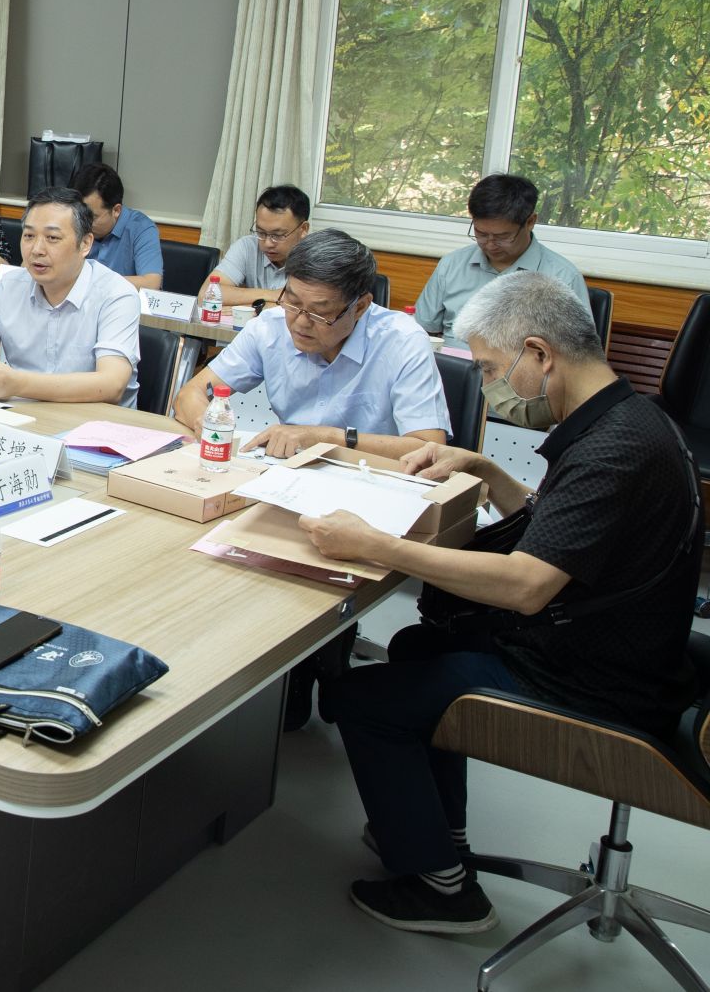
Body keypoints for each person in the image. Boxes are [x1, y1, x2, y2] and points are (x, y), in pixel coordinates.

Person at [305, 272, 701, 936]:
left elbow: (525, 583)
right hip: (621, 647)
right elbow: (562, 530)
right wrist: (486, 469)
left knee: (363, 701)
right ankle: (443, 837)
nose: (489, 384)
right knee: (416, 644)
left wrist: (376, 544)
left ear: (539, 354)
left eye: (491, 368)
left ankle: (443, 891)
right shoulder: (631, 416)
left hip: (595, 682)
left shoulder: (615, 450)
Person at [173, 230, 449, 460]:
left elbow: (428, 448)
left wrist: (327, 438)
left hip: (369, 478)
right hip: (287, 475)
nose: (301, 322)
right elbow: (190, 394)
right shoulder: (270, 326)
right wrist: (207, 424)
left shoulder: (402, 341)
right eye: (292, 302)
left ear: (360, 307)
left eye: (319, 312)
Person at [0, 188, 140, 408]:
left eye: (52, 238)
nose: (37, 249)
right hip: (22, 414)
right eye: (29, 236)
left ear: (85, 244)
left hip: (96, 423)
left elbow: (112, 384)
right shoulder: (11, 286)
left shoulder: (116, 294)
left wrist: (18, 384)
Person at [415, 174, 587, 345]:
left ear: (530, 222)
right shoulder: (451, 265)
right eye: (481, 234)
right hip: (452, 362)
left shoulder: (563, 277)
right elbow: (422, 331)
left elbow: (577, 354)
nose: (490, 245)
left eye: (502, 237)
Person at [213, 184, 309, 308]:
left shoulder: (317, 260)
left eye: (277, 235)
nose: (267, 243)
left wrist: (248, 307)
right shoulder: (247, 247)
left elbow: (305, 310)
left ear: (303, 229)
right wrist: (273, 295)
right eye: (261, 232)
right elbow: (209, 294)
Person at [73, 162, 163, 290]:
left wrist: (94, 282)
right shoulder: (71, 222)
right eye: (79, 215)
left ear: (116, 210)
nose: (83, 223)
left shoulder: (142, 229)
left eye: (92, 217)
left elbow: (151, 283)